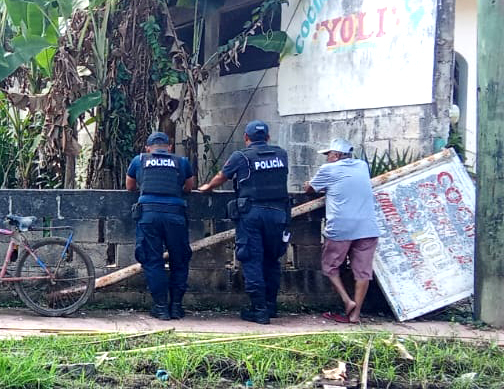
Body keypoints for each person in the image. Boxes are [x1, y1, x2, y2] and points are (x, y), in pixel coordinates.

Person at [197, 120, 290, 325]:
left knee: (251, 260)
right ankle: (271, 306)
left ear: (246, 138)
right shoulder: (281, 154)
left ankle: (259, 310)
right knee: (272, 260)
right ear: (267, 137)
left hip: (252, 214)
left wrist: (208, 187)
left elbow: (223, 176)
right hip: (278, 213)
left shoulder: (241, 157)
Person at [304, 138, 381, 324]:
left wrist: (309, 183)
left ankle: (347, 300)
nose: (326, 159)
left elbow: (309, 189)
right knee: (363, 272)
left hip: (341, 227)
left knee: (330, 266)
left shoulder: (328, 169)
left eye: (328, 155)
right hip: (367, 227)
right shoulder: (362, 166)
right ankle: (355, 315)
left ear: (337, 155)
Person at [125, 131, 195, 320]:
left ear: (148, 148)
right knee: (179, 261)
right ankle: (177, 307)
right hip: (175, 216)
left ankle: (161, 308)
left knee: (153, 261)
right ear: (169, 147)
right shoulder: (181, 162)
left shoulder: (139, 160)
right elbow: (189, 187)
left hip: (149, 215)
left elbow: (130, 186)